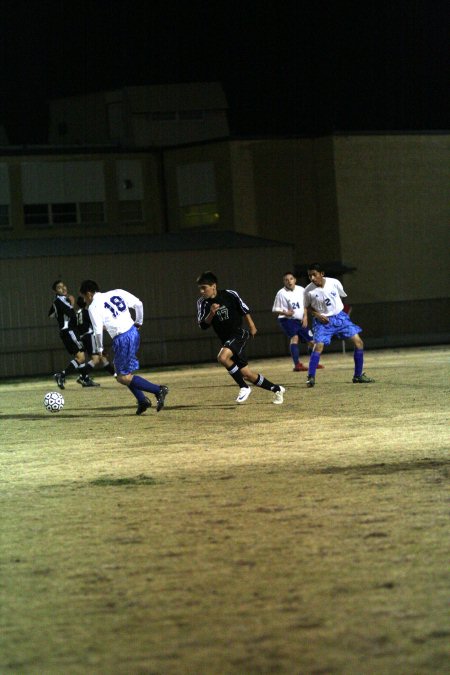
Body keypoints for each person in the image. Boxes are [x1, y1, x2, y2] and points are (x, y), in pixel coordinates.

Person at [79, 280, 168, 415]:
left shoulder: (93, 307)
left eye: (84, 297)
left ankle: (158, 390)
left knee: (122, 377)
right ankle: (142, 400)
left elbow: (97, 331)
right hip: (133, 332)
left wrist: (100, 349)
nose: (85, 301)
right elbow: (139, 304)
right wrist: (139, 322)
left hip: (123, 339)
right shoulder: (117, 292)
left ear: (89, 294)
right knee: (121, 371)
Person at [196, 271, 285, 404]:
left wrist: (252, 325)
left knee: (222, 357)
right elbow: (203, 325)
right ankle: (277, 389)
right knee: (246, 374)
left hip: (238, 333)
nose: (202, 291)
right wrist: (211, 313)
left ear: (213, 285)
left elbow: (244, 309)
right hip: (226, 339)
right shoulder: (202, 303)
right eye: (200, 289)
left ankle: (244, 387)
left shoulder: (230, 294)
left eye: (204, 288)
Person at [304, 263, 375, 387]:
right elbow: (307, 306)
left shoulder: (334, 283)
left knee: (359, 342)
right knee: (318, 346)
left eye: (314, 275)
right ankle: (311, 377)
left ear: (322, 274)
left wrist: (336, 311)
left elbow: (341, 297)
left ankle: (358, 376)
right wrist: (318, 315)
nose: (312, 278)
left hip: (340, 318)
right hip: (322, 322)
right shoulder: (308, 290)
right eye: (310, 276)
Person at [49, 280, 98, 389]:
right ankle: (61, 375)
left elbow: (51, 314)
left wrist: (59, 313)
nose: (63, 288)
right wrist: (71, 303)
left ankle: (84, 379)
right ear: (55, 291)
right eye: (59, 288)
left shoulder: (57, 301)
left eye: (64, 286)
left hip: (67, 331)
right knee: (81, 357)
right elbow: (71, 314)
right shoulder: (60, 300)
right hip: (69, 330)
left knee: (79, 357)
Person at [272, 271, 324, 372]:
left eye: (291, 279)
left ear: (295, 280)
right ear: (284, 282)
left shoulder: (301, 290)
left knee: (312, 342)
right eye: (286, 280)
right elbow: (275, 309)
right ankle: (297, 365)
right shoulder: (281, 293)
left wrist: (305, 317)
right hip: (287, 320)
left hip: (300, 320)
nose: (289, 281)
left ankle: (313, 362)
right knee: (294, 338)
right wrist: (286, 313)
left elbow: (305, 305)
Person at [76, 296, 116, 379]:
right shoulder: (87, 311)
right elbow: (96, 325)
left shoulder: (78, 312)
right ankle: (82, 376)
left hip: (83, 337)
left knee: (102, 358)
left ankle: (115, 374)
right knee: (96, 359)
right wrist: (109, 327)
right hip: (89, 336)